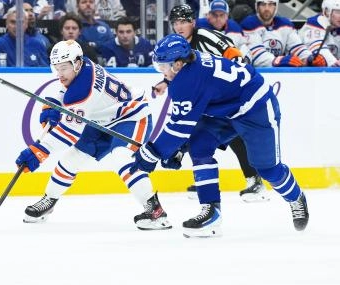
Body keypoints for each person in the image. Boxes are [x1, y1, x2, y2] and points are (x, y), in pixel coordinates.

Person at [130, 34, 310, 237]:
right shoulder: (189, 65)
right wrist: (178, 149)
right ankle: (212, 213)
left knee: (268, 170)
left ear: (178, 65)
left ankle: (296, 198)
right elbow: (187, 121)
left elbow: (178, 129)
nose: (161, 72)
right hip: (226, 109)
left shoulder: (186, 82)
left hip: (256, 108)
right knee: (199, 146)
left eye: (163, 66)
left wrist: (150, 154)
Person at [15, 40, 172, 230]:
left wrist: (38, 151)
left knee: (122, 160)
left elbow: (68, 133)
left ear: (77, 63)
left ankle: (156, 212)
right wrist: (53, 105)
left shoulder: (83, 91)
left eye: (63, 68)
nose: (59, 74)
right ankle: (49, 200)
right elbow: (66, 90)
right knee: (70, 160)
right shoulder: (82, 66)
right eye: (56, 68)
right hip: (103, 120)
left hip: (132, 116)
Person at [157, 4, 268, 203]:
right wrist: (166, 82)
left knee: (234, 134)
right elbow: (180, 72)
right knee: (194, 131)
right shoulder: (177, 46)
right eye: (176, 22)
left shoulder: (207, 37)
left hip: (229, 92)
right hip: (209, 95)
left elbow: (233, 54)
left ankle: (254, 180)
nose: (179, 26)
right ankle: (203, 179)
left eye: (183, 21)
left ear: (193, 22)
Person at [240, 0, 326, 67]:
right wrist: (277, 60)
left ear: (276, 6)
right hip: (256, 74)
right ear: (257, 7)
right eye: (263, 4)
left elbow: (298, 48)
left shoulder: (285, 24)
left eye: (271, 4)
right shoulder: (249, 24)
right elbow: (256, 55)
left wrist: (309, 59)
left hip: (279, 73)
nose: (267, 8)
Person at [299, 0, 340, 67]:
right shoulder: (314, 24)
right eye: (338, 12)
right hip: (302, 72)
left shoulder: (337, 25)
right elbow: (320, 51)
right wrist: (335, 63)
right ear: (326, 12)